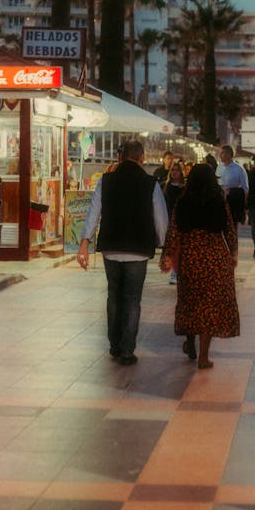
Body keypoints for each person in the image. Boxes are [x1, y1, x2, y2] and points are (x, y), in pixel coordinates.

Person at [77, 139, 169, 366]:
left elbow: (93, 211)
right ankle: (127, 350)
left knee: (114, 296)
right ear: (142, 157)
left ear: (121, 156)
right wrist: (164, 245)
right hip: (138, 250)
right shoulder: (151, 183)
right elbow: (161, 219)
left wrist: (84, 243)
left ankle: (114, 345)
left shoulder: (106, 181)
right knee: (132, 300)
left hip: (111, 248)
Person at [160, 163, 240, 368]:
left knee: (190, 302)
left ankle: (189, 341)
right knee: (210, 307)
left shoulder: (183, 200)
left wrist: (167, 254)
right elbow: (229, 228)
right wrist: (233, 253)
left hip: (191, 259)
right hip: (215, 258)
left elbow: (173, 230)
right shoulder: (219, 200)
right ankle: (204, 357)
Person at [163, 161, 186, 283]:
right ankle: (174, 272)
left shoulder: (185, 187)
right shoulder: (167, 186)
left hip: (182, 221)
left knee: (181, 248)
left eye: (176, 170)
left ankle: (177, 272)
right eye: (172, 170)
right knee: (173, 248)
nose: (174, 172)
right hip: (170, 220)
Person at [219, 144, 248, 227]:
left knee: (232, 227)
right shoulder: (219, 168)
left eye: (222, 153)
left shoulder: (239, 169)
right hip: (220, 201)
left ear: (229, 154)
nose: (220, 155)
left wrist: (244, 208)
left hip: (233, 201)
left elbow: (245, 189)